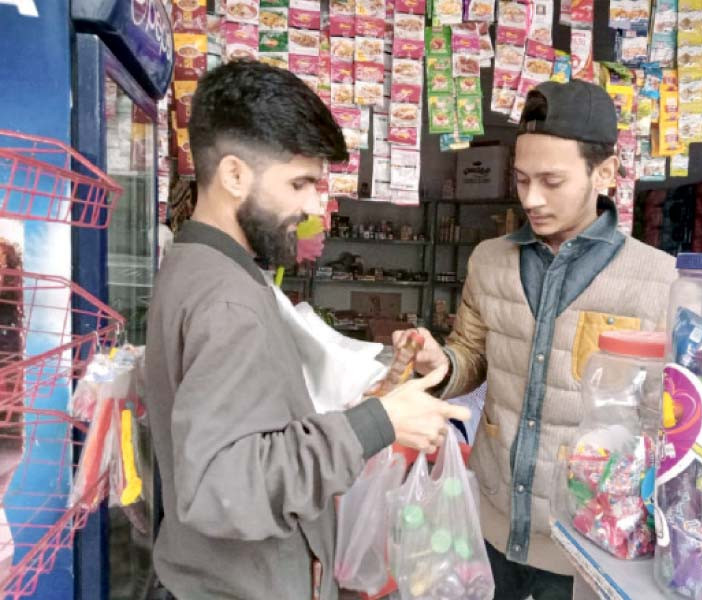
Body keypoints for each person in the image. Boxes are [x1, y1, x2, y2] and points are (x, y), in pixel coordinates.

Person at [144, 61, 470, 600]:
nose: (316, 207)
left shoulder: (197, 262)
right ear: (233, 175)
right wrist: (374, 425)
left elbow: (256, 426)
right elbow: (222, 487)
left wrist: (380, 397)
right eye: (300, 183)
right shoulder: (230, 301)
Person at [393, 80, 677, 600]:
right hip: (490, 524)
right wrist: (438, 361)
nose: (531, 198)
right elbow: (474, 357)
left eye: (551, 180)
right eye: (522, 179)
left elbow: (665, 424)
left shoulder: (660, 282)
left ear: (606, 173)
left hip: (585, 544)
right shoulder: (489, 260)